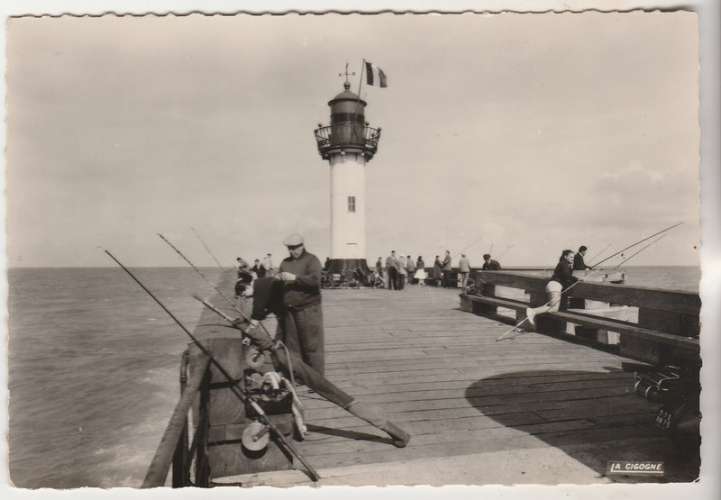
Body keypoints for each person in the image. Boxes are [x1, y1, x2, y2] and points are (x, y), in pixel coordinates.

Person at [274, 233, 325, 375]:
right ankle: (298, 376)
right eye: (289, 248)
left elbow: (315, 281)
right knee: (292, 346)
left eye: (294, 248)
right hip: (289, 310)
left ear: (302, 246)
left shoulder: (312, 260)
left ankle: (317, 379)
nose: (291, 251)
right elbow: (278, 284)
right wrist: (277, 279)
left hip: (308, 309)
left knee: (312, 345)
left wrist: (295, 278)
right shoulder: (285, 262)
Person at [525, 249, 582, 327]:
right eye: (571, 257)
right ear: (565, 257)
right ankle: (533, 311)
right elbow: (566, 275)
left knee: (553, 308)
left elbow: (566, 276)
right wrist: (576, 279)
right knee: (553, 308)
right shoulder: (563, 264)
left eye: (573, 257)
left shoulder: (564, 264)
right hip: (555, 286)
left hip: (554, 286)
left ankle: (533, 311)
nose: (573, 258)